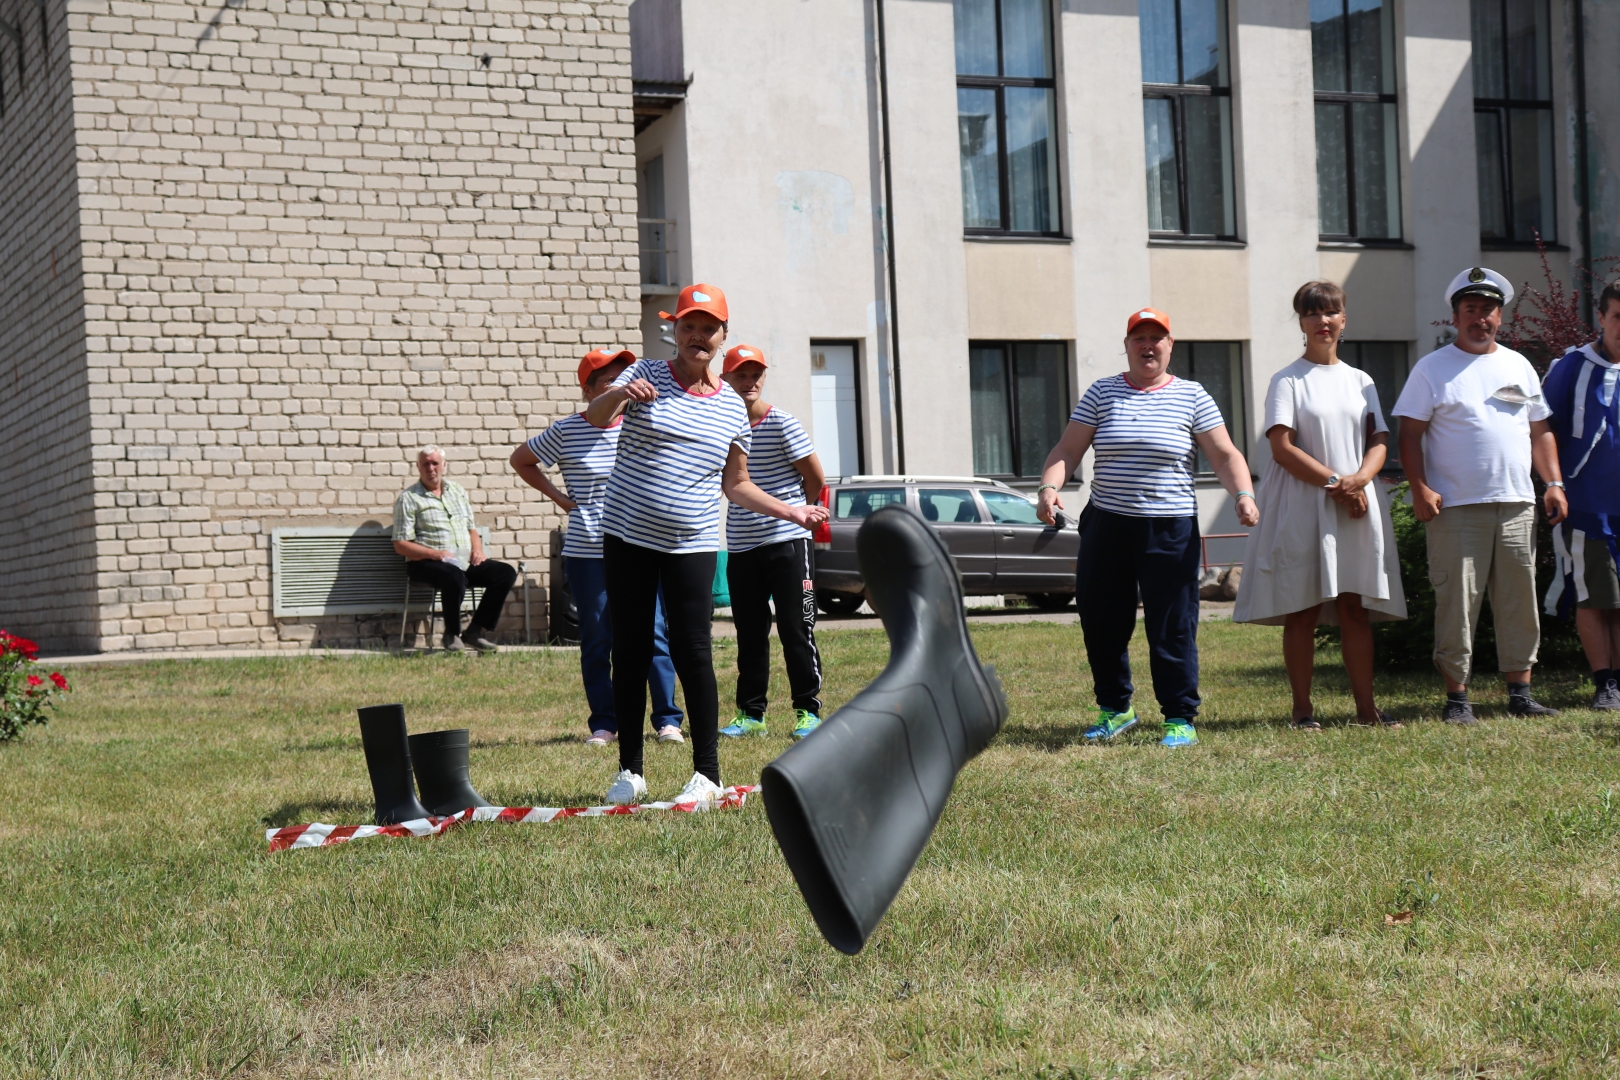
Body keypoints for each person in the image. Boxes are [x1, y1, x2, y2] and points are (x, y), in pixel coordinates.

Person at [584, 284, 829, 806]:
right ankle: (630, 770)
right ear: (674, 330)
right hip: (628, 536)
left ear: (722, 336)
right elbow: (597, 418)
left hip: (691, 543)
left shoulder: (732, 408)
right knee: (630, 648)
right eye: (688, 326)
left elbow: (736, 484)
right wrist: (620, 394)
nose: (698, 335)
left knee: (692, 649)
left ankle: (707, 774)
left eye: (708, 328)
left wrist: (792, 511)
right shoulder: (645, 374)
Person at [1036, 307, 1260, 748]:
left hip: (1169, 527)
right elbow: (1067, 449)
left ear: (1170, 345)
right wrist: (1048, 487)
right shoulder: (1102, 392)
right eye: (1139, 338)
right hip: (1107, 524)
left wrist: (1243, 494)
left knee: (1172, 624)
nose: (1147, 345)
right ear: (1127, 346)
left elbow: (1225, 455)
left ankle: (1179, 717)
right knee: (1102, 620)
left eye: (1156, 337)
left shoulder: (1192, 396)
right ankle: (1115, 709)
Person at [1392, 266, 1566, 724]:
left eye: (1488, 309)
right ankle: (1457, 699)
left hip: (1516, 504)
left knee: (1519, 603)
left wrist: (1553, 483)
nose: (1480, 317)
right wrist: (1420, 488)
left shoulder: (1518, 365)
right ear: (1455, 316)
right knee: (1457, 605)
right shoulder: (1432, 368)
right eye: (1470, 309)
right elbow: (1409, 435)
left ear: (1500, 317)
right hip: (1455, 507)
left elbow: (1540, 431)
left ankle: (1520, 694)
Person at [1234, 282, 1406, 729]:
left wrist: (1360, 481)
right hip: (1302, 506)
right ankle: (1302, 711)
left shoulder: (1361, 381)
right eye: (1312, 313)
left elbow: (1379, 440)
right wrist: (1338, 484)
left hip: (1356, 506)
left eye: (1330, 312)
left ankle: (1367, 710)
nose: (1322, 321)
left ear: (1343, 320)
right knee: (1303, 606)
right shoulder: (1287, 379)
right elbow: (1282, 448)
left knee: (1355, 607)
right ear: (1302, 322)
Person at [509, 349, 687, 745]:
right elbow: (521, 460)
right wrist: (560, 499)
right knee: (597, 640)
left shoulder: (643, 421)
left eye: (626, 377)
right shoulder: (567, 431)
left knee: (654, 633)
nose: (623, 386)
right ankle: (605, 724)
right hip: (588, 551)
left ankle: (667, 721)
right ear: (588, 390)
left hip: (641, 545)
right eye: (610, 381)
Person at [715, 344, 828, 741]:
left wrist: (797, 515)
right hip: (742, 545)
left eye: (755, 374)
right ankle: (751, 715)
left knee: (798, 627)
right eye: (741, 375)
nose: (749, 382)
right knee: (749, 633)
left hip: (788, 543)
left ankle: (808, 712)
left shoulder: (782, 423)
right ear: (725, 379)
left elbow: (815, 479)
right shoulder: (722, 425)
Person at [1542, 279, 1620, 710]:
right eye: (1618, 317)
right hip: (1589, 506)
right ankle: (1605, 683)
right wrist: (1554, 484)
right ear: (1602, 319)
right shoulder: (1571, 367)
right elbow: (1542, 429)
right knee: (1595, 597)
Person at [392, 445, 518, 653]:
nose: (431, 468)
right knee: (454, 575)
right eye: (425, 464)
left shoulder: (457, 491)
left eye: (435, 463)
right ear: (418, 467)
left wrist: (477, 550)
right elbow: (400, 544)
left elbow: (471, 529)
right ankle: (452, 634)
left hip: (461, 560)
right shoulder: (409, 498)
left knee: (505, 573)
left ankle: (475, 631)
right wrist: (435, 554)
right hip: (425, 563)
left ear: (444, 465)